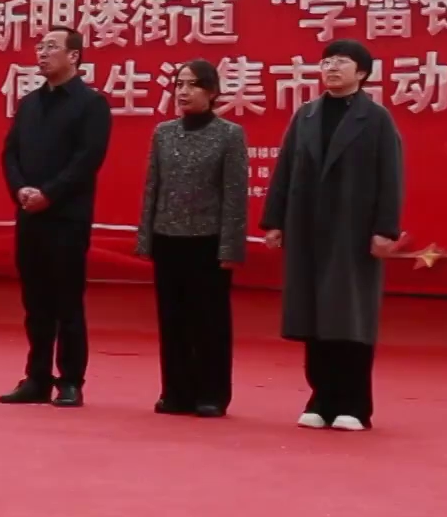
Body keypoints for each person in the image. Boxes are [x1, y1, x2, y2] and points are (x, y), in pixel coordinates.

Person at [261, 38, 406, 432]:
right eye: (327, 62)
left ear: (362, 72)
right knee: (313, 317)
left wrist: (385, 229)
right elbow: (284, 170)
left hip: (352, 232)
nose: (332, 68)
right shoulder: (306, 115)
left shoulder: (376, 119)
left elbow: (390, 177)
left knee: (350, 317)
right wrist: (274, 221)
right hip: (307, 229)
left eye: (341, 62)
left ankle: (354, 405)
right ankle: (320, 399)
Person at [0, 25, 112, 409]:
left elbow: (87, 159)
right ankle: (37, 377)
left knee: (67, 301)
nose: (42, 53)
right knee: (35, 301)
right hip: (29, 215)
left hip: (66, 217)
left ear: (74, 56)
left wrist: (49, 193)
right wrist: (20, 190)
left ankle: (71, 380)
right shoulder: (29, 104)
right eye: (40, 46)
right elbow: (10, 153)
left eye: (51, 47)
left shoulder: (91, 104)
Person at [135, 60, 248, 417]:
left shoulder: (229, 134)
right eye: (178, 84)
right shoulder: (163, 132)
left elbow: (234, 195)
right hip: (167, 238)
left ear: (212, 92)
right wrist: (146, 239)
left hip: (208, 241)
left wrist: (231, 247)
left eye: (192, 85)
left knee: (209, 320)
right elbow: (152, 187)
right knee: (173, 319)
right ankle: (176, 391)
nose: (183, 92)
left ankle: (212, 394)